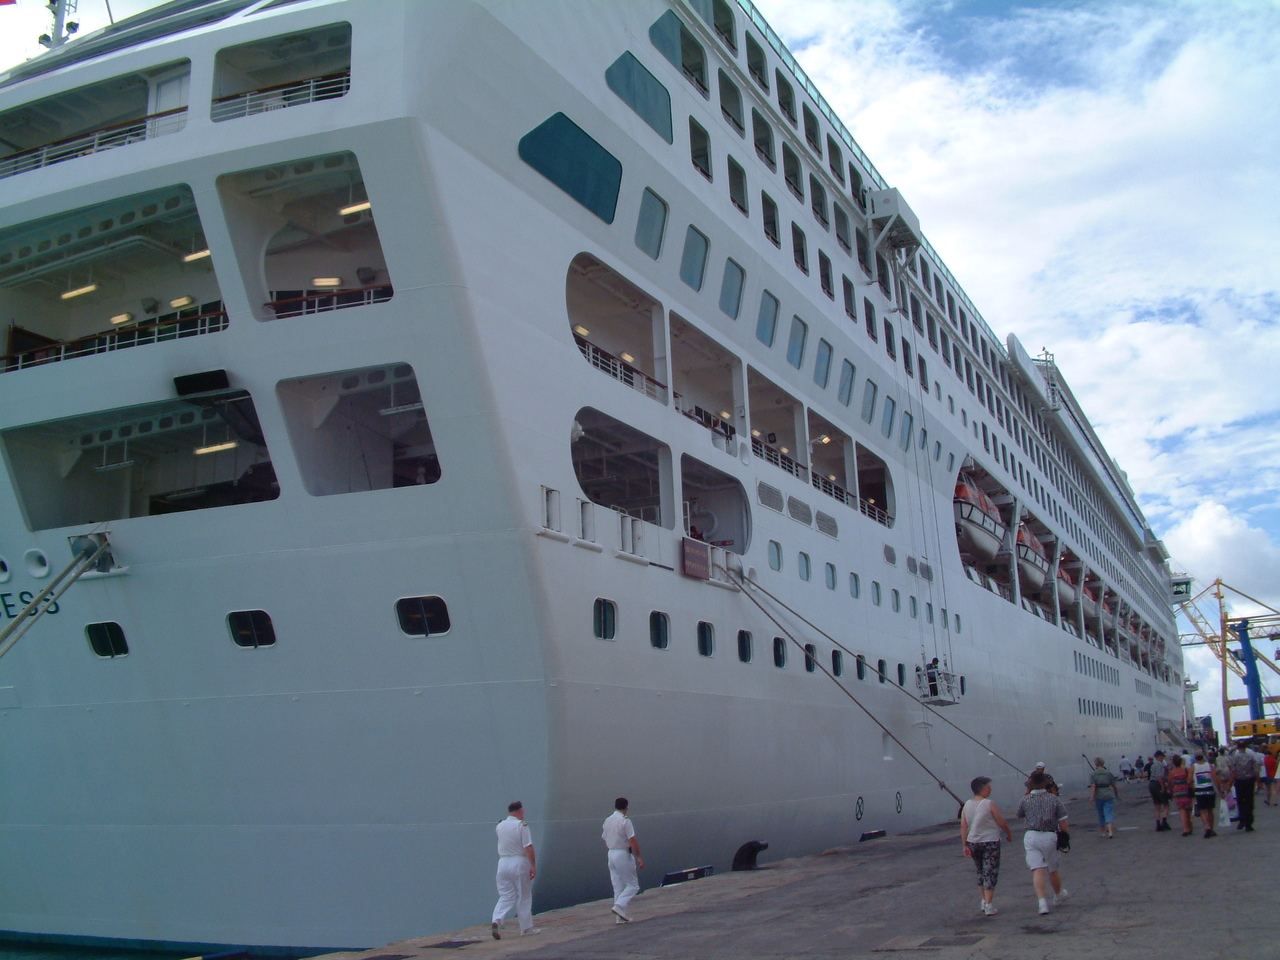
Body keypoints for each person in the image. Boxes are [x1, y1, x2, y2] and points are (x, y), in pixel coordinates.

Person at [1015, 771, 1069, 916]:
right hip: (1049, 835)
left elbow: (1019, 814)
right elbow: (1062, 820)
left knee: (1037, 869)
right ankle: (1057, 896)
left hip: (1031, 835)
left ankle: (1042, 903)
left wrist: (1026, 794)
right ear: (1045, 784)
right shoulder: (1053, 799)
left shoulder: (1025, 800)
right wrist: (1065, 836)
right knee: (1052, 868)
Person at [961, 776, 1013, 916]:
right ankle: (989, 904)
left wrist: (964, 844)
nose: (990, 790)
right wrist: (1008, 833)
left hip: (973, 842)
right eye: (988, 788)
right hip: (990, 841)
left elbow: (964, 826)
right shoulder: (989, 803)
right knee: (991, 871)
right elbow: (1001, 822)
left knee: (980, 871)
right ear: (981, 789)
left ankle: (984, 900)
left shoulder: (967, 804)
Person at [492, 801, 538, 939]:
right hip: (519, 861)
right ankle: (526, 928)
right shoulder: (521, 826)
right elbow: (528, 846)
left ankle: (497, 920)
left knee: (506, 895)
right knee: (524, 895)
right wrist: (533, 866)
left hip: (503, 862)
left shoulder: (499, 826)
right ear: (520, 811)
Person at [602, 797, 644, 923]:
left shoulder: (607, 820)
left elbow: (605, 838)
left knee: (617, 885)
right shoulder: (625, 821)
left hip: (611, 853)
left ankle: (619, 917)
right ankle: (619, 906)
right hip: (622, 853)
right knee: (632, 885)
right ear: (626, 808)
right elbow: (632, 839)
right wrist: (639, 856)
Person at [1227, 741, 1261, 832]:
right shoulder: (1251, 757)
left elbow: (1233, 772)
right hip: (1250, 781)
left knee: (1241, 801)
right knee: (1249, 802)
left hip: (1239, 781)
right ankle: (1249, 823)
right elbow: (1256, 771)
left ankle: (1242, 819)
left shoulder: (1235, 758)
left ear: (1237, 747)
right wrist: (1259, 782)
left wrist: (1229, 784)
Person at [1190, 751, 1222, 838]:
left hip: (1199, 790)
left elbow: (1189, 781)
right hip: (1209, 789)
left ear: (1195, 757)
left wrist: (1194, 788)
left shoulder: (1193, 767)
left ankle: (1207, 826)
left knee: (1202, 810)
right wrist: (1220, 791)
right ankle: (1211, 828)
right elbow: (1215, 779)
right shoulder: (1210, 766)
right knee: (1210, 810)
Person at [1089, 757, 1120, 838]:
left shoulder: (1093, 774)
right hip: (1108, 794)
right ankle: (1110, 832)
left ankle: (1103, 832)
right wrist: (1116, 794)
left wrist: (1091, 797)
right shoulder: (1108, 773)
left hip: (1098, 795)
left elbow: (1093, 786)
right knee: (1108, 812)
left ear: (1096, 764)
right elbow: (1114, 785)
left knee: (1100, 814)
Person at [1167, 754, 1194, 836]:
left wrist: (1171, 790)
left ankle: (1185, 829)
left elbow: (1169, 783)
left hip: (1178, 793)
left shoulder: (1172, 772)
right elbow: (1190, 780)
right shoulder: (1186, 770)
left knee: (1182, 810)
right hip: (1187, 792)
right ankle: (1189, 825)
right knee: (1188, 810)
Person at [1147, 750, 1171, 831]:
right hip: (1157, 784)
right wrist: (1163, 786)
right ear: (1160, 756)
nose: (1163, 758)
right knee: (1166, 804)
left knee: (1157, 805)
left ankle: (1158, 824)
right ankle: (1164, 821)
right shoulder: (1159, 764)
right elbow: (1159, 776)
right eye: (1163, 756)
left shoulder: (1153, 765)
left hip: (1151, 784)